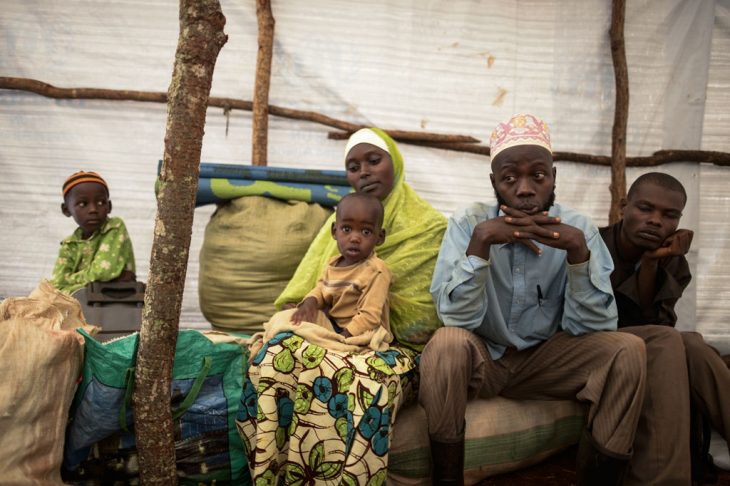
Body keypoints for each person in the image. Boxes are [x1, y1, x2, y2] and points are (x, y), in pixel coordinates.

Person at [421, 113, 648, 486]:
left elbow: (592, 328)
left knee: (628, 349)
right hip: (486, 358)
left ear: (553, 177)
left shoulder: (579, 230)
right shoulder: (468, 224)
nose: (524, 189)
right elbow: (455, 319)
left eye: (537, 176)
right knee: (446, 344)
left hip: (546, 361)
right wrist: (481, 245)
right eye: (510, 179)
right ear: (494, 183)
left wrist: (577, 253)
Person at [236, 128, 447, 484]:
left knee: (365, 382)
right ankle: (276, 474)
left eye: (373, 161)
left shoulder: (429, 229)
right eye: (353, 166)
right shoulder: (335, 229)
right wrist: (310, 311)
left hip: (395, 347)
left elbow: (425, 316)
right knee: (274, 357)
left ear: (394, 162)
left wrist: (350, 334)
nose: (363, 172)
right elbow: (311, 288)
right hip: (333, 333)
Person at [601, 172, 730, 476]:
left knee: (692, 344)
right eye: (645, 209)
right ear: (623, 207)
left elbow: (655, 323)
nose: (656, 221)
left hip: (648, 346)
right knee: (681, 341)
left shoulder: (673, 260)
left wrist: (651, 262)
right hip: (596, 347)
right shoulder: (593, 246)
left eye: (669, 215)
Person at [290, 192, 391, 339]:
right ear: (334, 231)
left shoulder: (376, 271)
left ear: (379, 237)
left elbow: (370, 317)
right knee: (287, 319)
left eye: (366, 231)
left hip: (363, 334)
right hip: (335, 326)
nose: (355, 238)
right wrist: (310, 302)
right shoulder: (332, 263)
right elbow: (321, 289)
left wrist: (343, 337)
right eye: (347, 229)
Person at [50, 171, 136, 295]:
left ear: (109, 206)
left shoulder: (114, 227)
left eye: (101, 202)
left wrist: (69, 280)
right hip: (83, 307)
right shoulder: (69, 244)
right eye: (82, 204)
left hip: (115, 303)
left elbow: (103, 271)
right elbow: (57, 285)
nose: (93, 210)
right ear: (66, 210)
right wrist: (100, 281)